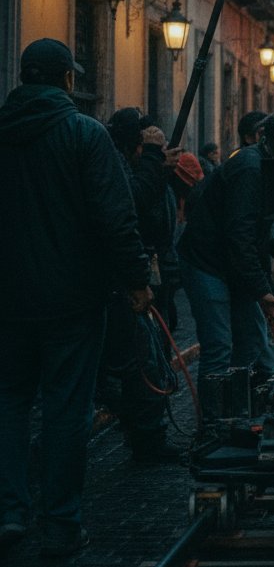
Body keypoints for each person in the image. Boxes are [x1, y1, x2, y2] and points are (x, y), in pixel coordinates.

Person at [0, 39, 152, 557]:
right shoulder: (85, 134)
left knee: (8, 404)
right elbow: (116, 216)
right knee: (68, 408)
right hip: (71, 301)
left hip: (7, 302)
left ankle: (10, 512)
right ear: (68, 80)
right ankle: (62, 523)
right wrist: (137, 280)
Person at [177, 115, 274, 421]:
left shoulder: (271, 167)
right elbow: (240, 236)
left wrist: (265, 288)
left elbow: (256, 239)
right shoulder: (250, 168)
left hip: (234, 264)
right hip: (207, 263)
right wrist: (262, 291)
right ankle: (214, 427)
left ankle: (243, 415)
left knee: (253, 343)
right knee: (219, 346)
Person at [98, 108, 181, 463]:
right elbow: (131, 213)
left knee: (150, 358)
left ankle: (145, 432)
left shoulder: (146, 171)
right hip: (126, 287)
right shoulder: (117, 170)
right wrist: (137, 281)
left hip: (151, 279)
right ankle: (146, 438)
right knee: (141, 363)